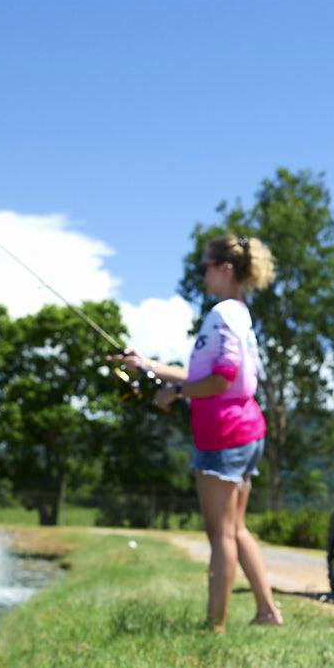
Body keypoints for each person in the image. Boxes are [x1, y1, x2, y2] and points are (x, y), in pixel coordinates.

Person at [121, 232, 285, 631]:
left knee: (221, 534)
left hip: (223, 435)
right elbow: (207, 374)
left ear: (224, 268)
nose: (201, 275)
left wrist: (175, 394)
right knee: (237, 528)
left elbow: (222, 378)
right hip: (246, 429)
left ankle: (215, 625)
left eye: (204, 267)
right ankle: (267, 611)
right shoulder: (240, 314)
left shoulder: (222, 315)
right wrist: (150, 367)